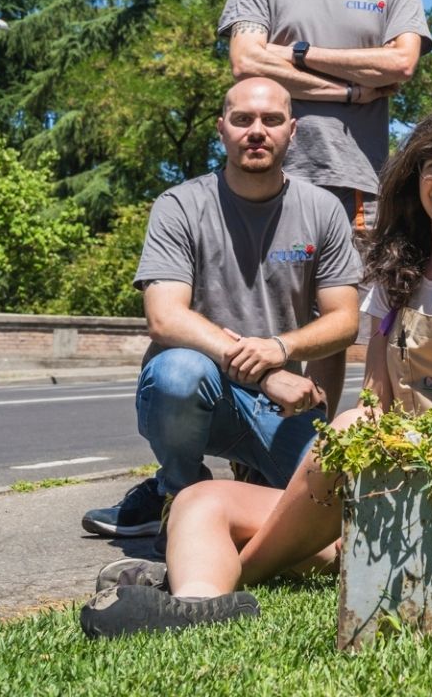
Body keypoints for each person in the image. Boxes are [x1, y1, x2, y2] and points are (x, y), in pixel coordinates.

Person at [80, 106, 432, 638]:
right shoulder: (397, 279)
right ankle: (199, 602)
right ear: (416, 177)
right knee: (201, 499)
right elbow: (379, 405)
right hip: (397, 491)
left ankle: (225, 579)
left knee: (349, 428)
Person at [78, 77, 361, 547]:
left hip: (283, 408)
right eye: (242, 119)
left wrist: (281, 349)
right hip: (202, 396)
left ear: (292, 130)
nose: (257, 130)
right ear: (221, 129)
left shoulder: (323, 209)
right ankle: (177, 494)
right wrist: (264, 371)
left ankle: (244, 487)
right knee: (178, 372)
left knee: (333, 512)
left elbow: (345, 321)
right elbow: (165, 317)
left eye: (271, 120)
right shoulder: (180, 205)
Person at [219, 0, 432, 232]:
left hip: (356, 183)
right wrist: (348, 92)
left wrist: (298, 53)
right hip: (268, 175)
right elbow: (247, 61)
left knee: (351, 292)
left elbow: (400, 64)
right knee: (267, 290)